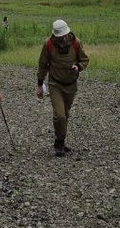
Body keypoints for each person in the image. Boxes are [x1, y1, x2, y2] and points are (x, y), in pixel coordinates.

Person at [35, 19, 88, 156]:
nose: (62, 39)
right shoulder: (48, 44)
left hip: (71, 85)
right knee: (60, 116)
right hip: (55, 84)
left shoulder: (76, 42)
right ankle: (59, 143)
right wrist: (40, 85)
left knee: (66, 115)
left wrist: (79, 67)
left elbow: (84, 60)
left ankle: (61, 141)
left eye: (63, 35)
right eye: (59, 36)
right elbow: (42, 64)